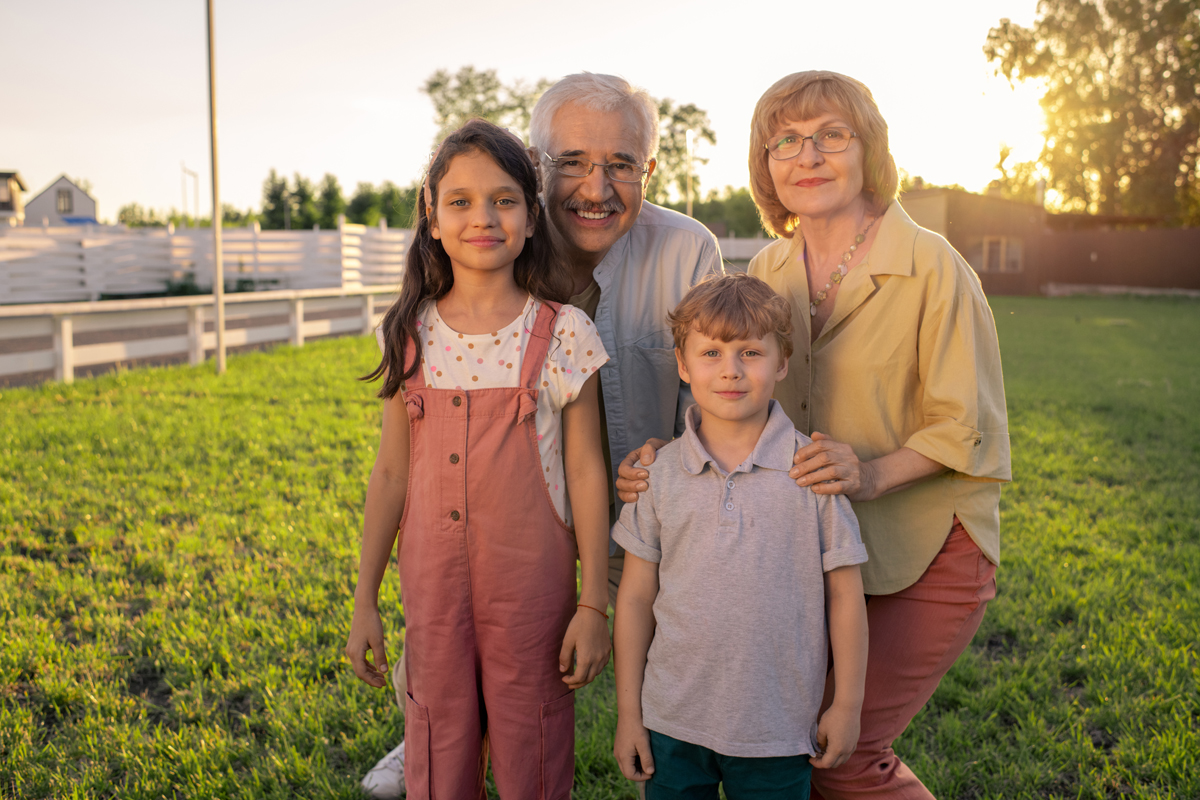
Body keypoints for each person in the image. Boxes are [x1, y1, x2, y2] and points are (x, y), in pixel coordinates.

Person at [617, 71, 1011, 798]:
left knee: (845, 756)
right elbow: (736, 387)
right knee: (797, 739)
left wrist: (866, 475)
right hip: (802, 551)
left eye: (833, 135)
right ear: (766, 165)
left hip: (926, 544)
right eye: (786, 141)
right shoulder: (769, 267)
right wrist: (667, 455)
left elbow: (969, 430)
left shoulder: (933, 268)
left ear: (869, 151)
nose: (810, 155)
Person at [360, 73, 723, 798]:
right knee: (445, 657)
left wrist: (670, 464)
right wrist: (366, 593)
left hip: (645, 523)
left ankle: (699, 748)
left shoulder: (680, 257)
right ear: (538, 168)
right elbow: (398, 468)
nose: (597, 187)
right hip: (475, 552)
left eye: (620, 164)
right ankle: (430, 726)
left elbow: (716, 395)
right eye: (573, 163)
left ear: (648, 170)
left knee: (566, 696)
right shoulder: (459, 289)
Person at [345, 118, 612, 800]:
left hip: (534, 594)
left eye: (504, 199)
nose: (482, 217)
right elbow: (391, 474)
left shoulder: (565, 334)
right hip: (432, 592)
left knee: (534, 734)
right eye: (460, 201)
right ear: (432, 218)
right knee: (440, 732)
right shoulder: (410, 332)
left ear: (530, 218)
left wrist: (593, 603)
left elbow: (586, 473)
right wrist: (365, 599)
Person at [611, 274, 869, 800]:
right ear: (683, 365)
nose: (730, 370)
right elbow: (636, 597)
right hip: (671, 722)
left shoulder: (813, 473)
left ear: (781, 362)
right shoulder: (658, 474)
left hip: (777, 727)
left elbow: (845, 595)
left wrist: (847, 704)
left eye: (750, 352)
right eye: (711, 353)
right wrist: (629, 714)